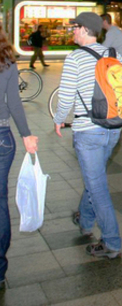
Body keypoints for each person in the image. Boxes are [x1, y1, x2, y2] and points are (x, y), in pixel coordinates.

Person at [53, 12, 122, 260]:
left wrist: (58, 119)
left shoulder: (74, 59)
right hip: (113, 129)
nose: (72, 31)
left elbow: (65, 98)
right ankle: (85, 220)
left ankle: (111, 242)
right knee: (93, 177)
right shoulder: (113, 56)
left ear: (85, 30)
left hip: (88, 132)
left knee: (98, 188)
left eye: (75, 28)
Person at [0, 28, 38, 290]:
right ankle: (0, 269)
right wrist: (26, 135)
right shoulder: (7, 60)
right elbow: (14, 101)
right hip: (3, 136)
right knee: (0, 199)